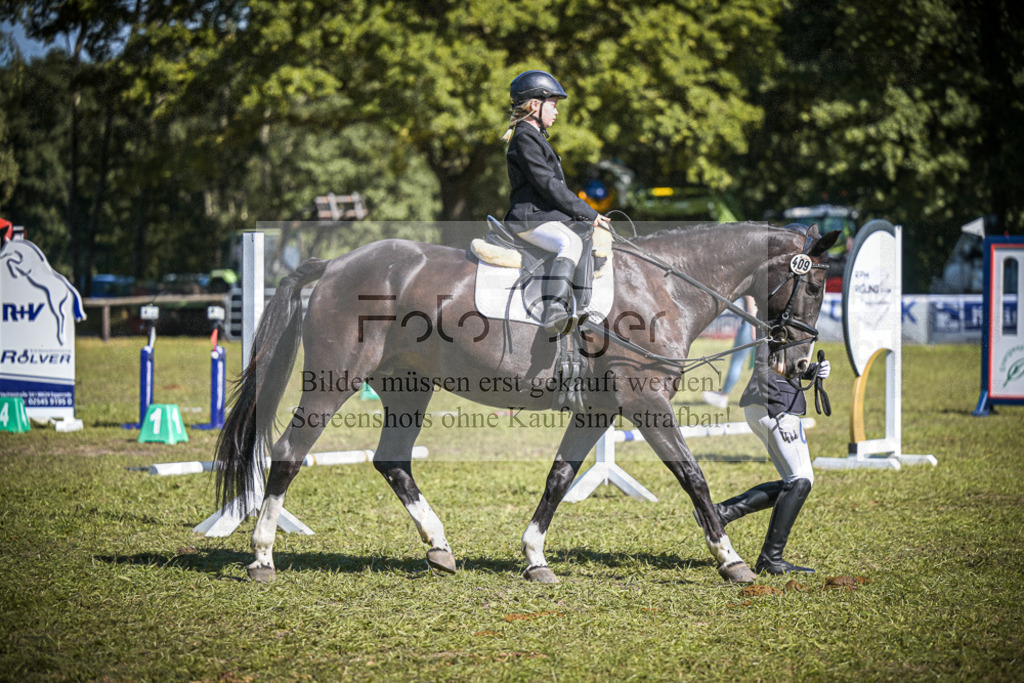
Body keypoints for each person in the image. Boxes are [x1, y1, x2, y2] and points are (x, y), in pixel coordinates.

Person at [697, 341, 831, 575]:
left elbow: (782, 364)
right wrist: (778, 410)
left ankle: (720, 513)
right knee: (801, 480)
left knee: (793, 482)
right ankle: (771, 558)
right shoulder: (775, 323)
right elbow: (762, 364)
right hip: (775, 405)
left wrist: (811, 371)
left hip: (764, 405)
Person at [502, 70, 611, 334]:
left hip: (542, 216)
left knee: (583, 232)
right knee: (569, 242)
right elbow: (548, 185)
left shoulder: (535, 137)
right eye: (553, 104)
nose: (557, 111)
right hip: (529, 219)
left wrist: (584, 217)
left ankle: (581, 307)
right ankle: (554, 311)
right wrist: (587, 212)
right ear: (535, 105)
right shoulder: (525, 138)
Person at [702, 296, 757, 409]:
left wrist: (753, 321)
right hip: (761, 320)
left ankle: (723, 396)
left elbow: (751, 298)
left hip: (751, 321)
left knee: (737, 362)